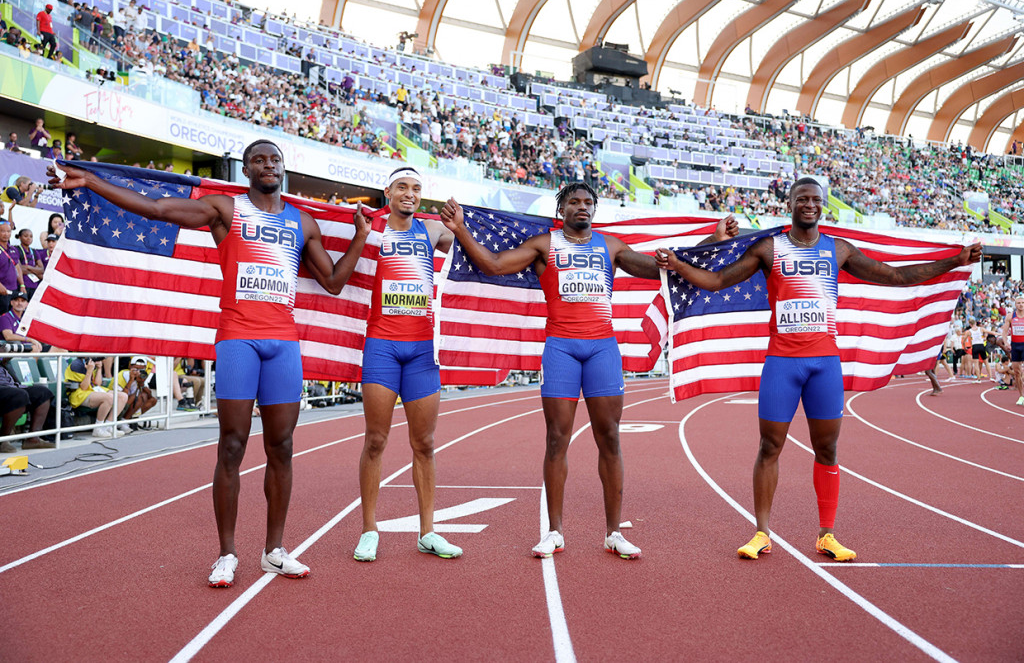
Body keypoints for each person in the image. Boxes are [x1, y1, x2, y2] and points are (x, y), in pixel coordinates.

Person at [49, 139, 371, 587]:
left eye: (275, 160)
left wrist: (360, 237)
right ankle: (227, 553)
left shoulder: (302, 222)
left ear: (283, 169)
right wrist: (91, 181)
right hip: (238, 338)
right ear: (246, 169)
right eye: (258, 160)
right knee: (232, 446)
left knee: (282, 447)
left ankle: (274, 551)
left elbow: (334, 281)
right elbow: (157, 209)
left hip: (283, 343)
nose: (268, 165)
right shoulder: (226, 209)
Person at [655, 177, 981, 562]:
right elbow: (717, 281)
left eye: (815, 199)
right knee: (769, 446)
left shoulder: (838, 250)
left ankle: (827, 535)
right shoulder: (769, 249)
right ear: (790, 204)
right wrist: (677, 263)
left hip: (825, 364)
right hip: (782, 363)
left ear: (823, 205)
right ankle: (761, 533)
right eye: (802, 199)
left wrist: (955, 261)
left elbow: (894, 276)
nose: (809, 205)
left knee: (827, 448)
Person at [440, 182, 738, 560]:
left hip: (602, 350)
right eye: (574, 202)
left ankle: (614, 532)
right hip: (561, 349)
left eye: (588, 202)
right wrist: (460, 229)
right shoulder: (544, 245)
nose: (582, 207)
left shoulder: (610, 247)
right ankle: (554, 532)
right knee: (556, 440)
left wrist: (712, 240)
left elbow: (660, 268)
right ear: (561, 210)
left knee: (609, 438)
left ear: (594, 210)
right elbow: (494, 265)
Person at [352, 166, 464, 563]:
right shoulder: (373, 230)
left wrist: (460, 224)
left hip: (421, 350)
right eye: (402, 187)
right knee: (376, 440)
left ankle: (428, 532)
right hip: (382, 346)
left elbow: (471, 248)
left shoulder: (431, 231)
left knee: (425, 443)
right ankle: (369, 529)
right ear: (388, 191)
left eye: (416, 188)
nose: (409, 193)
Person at [0, 359, 55, 453]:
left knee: (43, 392)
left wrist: (5, 359)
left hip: (12, 387)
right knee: (19, 395)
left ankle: (33, 439)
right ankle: (2, 440)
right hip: (4, 389)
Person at [116, 356, 157, 428]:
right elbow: (120, 396)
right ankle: (123, 421)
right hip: (117, 405)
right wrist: (131, 380)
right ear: (130, 366)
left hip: (130, 404)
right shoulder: (122, 375)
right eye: (136, 369)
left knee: (151, 399)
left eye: (141, 369)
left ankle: (127, 419)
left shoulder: (141, 376)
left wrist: (141, 384)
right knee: (137, 397)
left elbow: (150, 396)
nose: (139, 372)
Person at [1001, 295, 1024, 406]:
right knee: (1017, 372)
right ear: (1015, 304)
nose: (1021, 305)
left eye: (1022, 303)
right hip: (1015, 346)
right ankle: (1021, 396)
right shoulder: (1010, 316)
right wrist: (1006, 343)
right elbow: (1004, 332)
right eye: (1019, 303)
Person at [0, 222, 27, 313]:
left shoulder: (13, 249)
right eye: (3, 231)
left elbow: (17, 267)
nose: (6, 234)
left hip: (13, 290)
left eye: (8, 231)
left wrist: (22, 284)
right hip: (1, 290)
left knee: (11, 316)